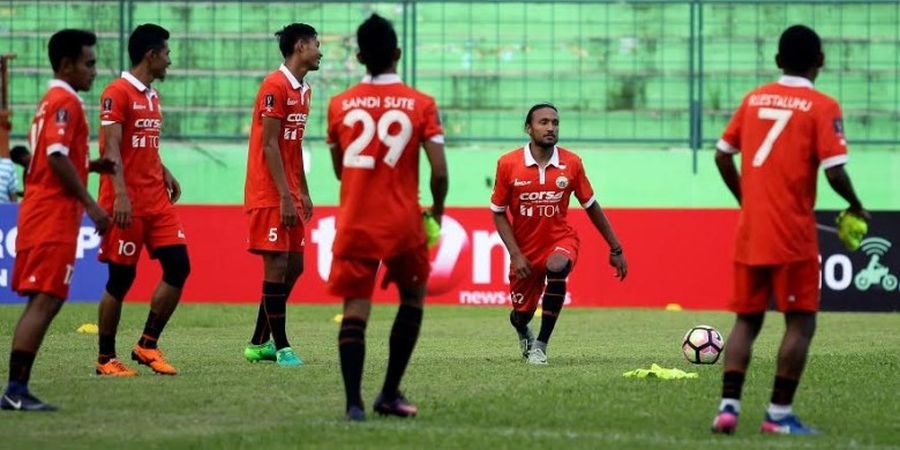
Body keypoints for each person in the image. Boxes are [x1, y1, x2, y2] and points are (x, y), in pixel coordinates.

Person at [711, 25, 868, 435]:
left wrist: (747, 200)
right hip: (793, 234)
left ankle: (727, 409)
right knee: (800, 321)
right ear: (821, 61)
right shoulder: (822, 105)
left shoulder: (753, 98)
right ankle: (778, 416)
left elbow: (722, 156)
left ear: (778, 61)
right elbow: (835, 173)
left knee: (747, 320)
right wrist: (855, 204)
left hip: (751, 229)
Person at [326, 14, 448, 421]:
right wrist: (439, 210)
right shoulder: (421, 104)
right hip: (403, 223)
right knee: (412, 300)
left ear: (359, 56)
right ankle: (390, 392)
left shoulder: (339, 104)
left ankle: (353, 404)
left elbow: (340, 169)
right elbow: (440, 172)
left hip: (357, 221)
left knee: (355, 309)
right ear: (398, 52)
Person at [3, 29, 113, 411]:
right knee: (45, 300)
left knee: (46, 300)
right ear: (67, 65)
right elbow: (54, 156)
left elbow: (55, 156)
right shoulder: (64, 101)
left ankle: (17, 390)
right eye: (89, 63)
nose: (94, 71)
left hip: (47, 214)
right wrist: (92, 205)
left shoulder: (54, 101)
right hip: (50, 216)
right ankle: (15, 390)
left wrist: (91, 165)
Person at [490, 103, 627, 366]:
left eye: (555, 122)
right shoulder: (508, 163)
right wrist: (516, 255)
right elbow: (498, 212)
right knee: (522, 313)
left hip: (560, 239)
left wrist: (616, 248)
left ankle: (540, 346)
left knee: (558, 266)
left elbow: (592, 207)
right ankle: (522, 329)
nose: (551, 127)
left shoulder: (572, 163)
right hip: (525, 251)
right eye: (543, 122)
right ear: (528, 129)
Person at [94, 24, 190, 377]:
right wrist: (119, 193)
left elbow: (142, 144)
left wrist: (163, 170)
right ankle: (106, 358)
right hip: (126, 203)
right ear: (151, 55)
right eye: (166, 53)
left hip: (156, 200)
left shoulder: (151, 96)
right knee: (120, 280)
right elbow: (111, 148)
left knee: (179, 266)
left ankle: (147, 344)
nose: (169, 60)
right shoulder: (116, 93)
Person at [242, 23, 320, 367]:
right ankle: (282, 346)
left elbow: (294, 145)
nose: (321, 51)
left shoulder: (304, 90)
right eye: (317, 44)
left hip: (289, 190)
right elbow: (270, 144)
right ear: (301, 46)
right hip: (269, 191)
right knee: (276, 266)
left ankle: (258, 342)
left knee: (295, 267)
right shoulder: (274, 86)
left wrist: (302, 190)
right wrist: (285, 195)